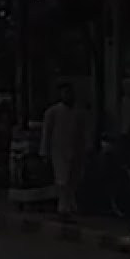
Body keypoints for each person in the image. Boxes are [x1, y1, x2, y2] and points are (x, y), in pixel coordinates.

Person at [41, 82, 87, 220]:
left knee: (74, 179)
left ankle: (70, 206)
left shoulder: (79, 112)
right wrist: (44, 152)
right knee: (62, 180)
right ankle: (63, 208)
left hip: (75, 149)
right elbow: (46, 133)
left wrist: (85, 148)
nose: (67, 95)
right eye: (64, 93)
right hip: (58, 149)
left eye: (69, 92)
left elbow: (83, 133)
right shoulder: (52, 112)